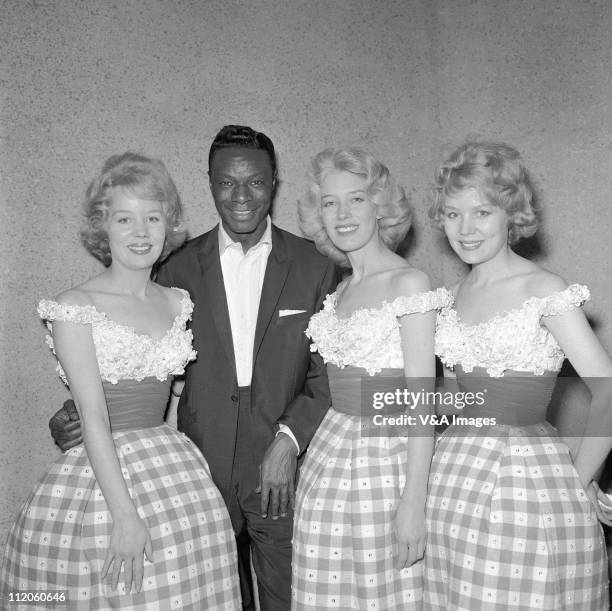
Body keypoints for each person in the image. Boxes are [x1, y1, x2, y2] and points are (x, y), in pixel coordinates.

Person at [49, 126, 337, 611]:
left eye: (256, 182)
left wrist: (289, 440)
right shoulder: (175, 267)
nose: (241, 196)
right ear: (209, 183)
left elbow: (328, 372)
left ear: (275, 184)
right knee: (207, 596)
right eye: (227, 183)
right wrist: (76, 409)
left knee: (293, 596)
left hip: (280, 462)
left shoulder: (316, 264)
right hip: (194, 469)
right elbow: (131, 346)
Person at [1, 153, 241, 609]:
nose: (140, 231)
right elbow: (92, 419)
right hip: (102, 472)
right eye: (124, 218)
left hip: (172, 466)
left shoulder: (176, 302)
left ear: (168, 225)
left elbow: (172, 401)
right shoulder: (75, 305)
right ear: (102, 226)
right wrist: (125, 516)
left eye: (152, 217)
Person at [424, 141, 612, 609]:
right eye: (452, 214)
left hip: (525, 483)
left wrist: (580, 478)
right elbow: (452, 396)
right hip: (451, 479)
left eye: (482, 212)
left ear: (511, 215)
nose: (465, 229)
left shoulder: (543, 290)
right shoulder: (448, 297)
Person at [292, 147, 451, 609]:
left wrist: (413, 502)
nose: (342, 214)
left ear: (380, 206)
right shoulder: (340, 291)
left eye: (356, 199)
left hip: (389, 464)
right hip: (328, 460)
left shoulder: (410, 284)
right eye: (329, 202)